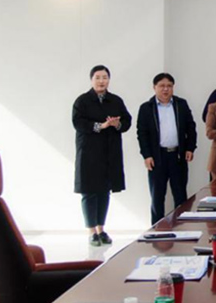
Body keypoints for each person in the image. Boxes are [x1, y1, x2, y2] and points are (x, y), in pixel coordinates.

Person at [72, 65, 131, 246]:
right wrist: (101, 126)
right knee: (89, 192)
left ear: (109, 80)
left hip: (109, 153)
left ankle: (101, 229)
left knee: (104, 191)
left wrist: (116, 124)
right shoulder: (82, 101)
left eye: (105, 77)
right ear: (91, 80)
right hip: (89, 153)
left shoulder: (115, 100)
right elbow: (78, 123)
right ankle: (91, 232)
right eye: (97, 77)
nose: (101, 81)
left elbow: (127, 121)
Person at [136, 73, 197, 225]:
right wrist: (146, 155)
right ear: (154, 87)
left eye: (169, 86)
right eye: (162, 86)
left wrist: (190, 148)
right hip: (157, 158)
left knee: (181, 196)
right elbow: (142, 134)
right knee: (157, 197)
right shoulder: (146, 108)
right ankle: (157, 230)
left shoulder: (181, 104)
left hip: (178, 156)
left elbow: (191, 127)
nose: (165, 89)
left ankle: (182, 229)